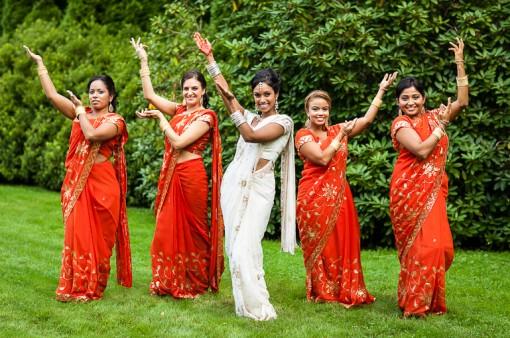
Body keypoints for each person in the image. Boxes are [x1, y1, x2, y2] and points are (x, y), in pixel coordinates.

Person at [194, 32, 296, 321]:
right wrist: (210, 58)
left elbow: (251, 136)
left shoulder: (283, 122)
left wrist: (232, 102)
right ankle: (247, 304)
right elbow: (231, 99)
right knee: (236, 248)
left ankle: (260, 309)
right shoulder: (249, 116)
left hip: (260, 190)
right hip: (236, 185)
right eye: (257, 95)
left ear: (277, 94)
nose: (262, 99)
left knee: (245, 248)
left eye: (267, 94)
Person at [24, 46, 132, 302]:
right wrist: (40, 64)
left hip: (103, 185)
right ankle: (75, 285)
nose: (94, 96)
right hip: (77, 186)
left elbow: (93, 135)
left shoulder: (116, 121)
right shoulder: (78, 113)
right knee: (77, 235)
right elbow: (51, 95)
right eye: (91, 92)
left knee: (99, 240)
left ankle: (92, 288)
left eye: (100, 92)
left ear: (111, 95)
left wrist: (81, 112)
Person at [130, 38, 223, 298]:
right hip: (173, 175)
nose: (189, 93)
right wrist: (144, 60)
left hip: (191, 175)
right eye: (185, 88)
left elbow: (179, 141)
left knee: (194, 229)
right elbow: (149, 95)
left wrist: (161, 119)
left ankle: (196, 280)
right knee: (164, 230)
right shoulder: (179, 111)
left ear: (203, 91)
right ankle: (169, 280)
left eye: (194, 88)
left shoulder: (207, 117)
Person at [295, 72, 397, 306]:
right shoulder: (303, 135)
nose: (321, 113)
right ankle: (323, 289)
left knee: (342, 241)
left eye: (325, 109)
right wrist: (341, 134)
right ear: (307, 112)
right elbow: (321, 158)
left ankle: (343, 286)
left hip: (341, 196)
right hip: (314, 198)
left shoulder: (336, 130)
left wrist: (381, 90)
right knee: (324, 245)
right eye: (316, 109)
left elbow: (367, 120)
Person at [389, 38, 468, 317]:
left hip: (435, 191)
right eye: (405, 98)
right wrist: (443, 125)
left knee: (441, 247)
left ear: (423, 98)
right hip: (408, 191)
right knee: (422, 249)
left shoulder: (436, 116)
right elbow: (422, 150)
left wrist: (459, 62)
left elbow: (462, 101)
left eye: (415, 97)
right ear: (399, 102)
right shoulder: (400, 124)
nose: (410, 102)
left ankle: (427, 298)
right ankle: (415, 305)